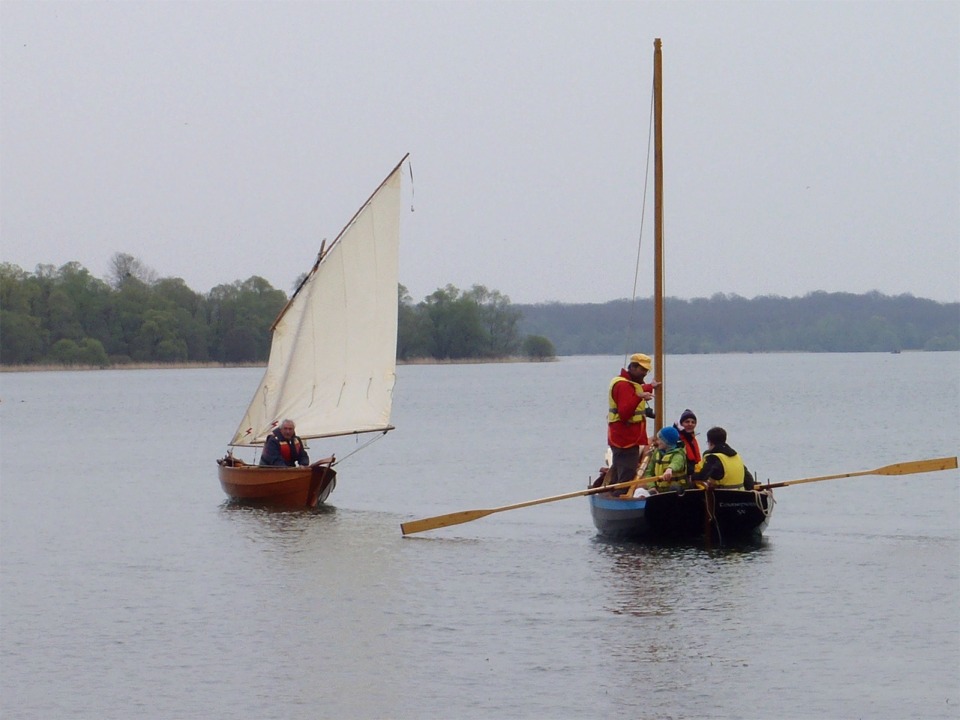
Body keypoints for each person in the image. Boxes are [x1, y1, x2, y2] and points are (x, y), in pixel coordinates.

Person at [606, 352, 661, 486]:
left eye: (646, 370)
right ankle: (621, 496)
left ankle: (615, 490)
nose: (644, 373)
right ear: (633, 367)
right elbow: (624, 413)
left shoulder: (629, 383)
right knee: (627, 473)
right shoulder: (623, 385)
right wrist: (640, 397)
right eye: (642, 369)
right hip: (625, 439)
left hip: (627, 437)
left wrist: (650, 387)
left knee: (622, 468)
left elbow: (637, 390)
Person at [643, 425, 688, 492]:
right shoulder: (656, 453)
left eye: (659, 440)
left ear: (667, 442)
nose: (657, 442)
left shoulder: (678, 454)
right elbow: (649, 472)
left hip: (675, 490)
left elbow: (677, 463)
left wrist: (670, 469)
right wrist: (651, 486)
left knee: (674, 488)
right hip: (660, 490)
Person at [673, 409, 702, 477]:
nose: (690, 424)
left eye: (693, 422)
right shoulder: (677, 439)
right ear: (681, 424)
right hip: (682, 473)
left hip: (693, 471)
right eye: (687, 422)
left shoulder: (692, 439)